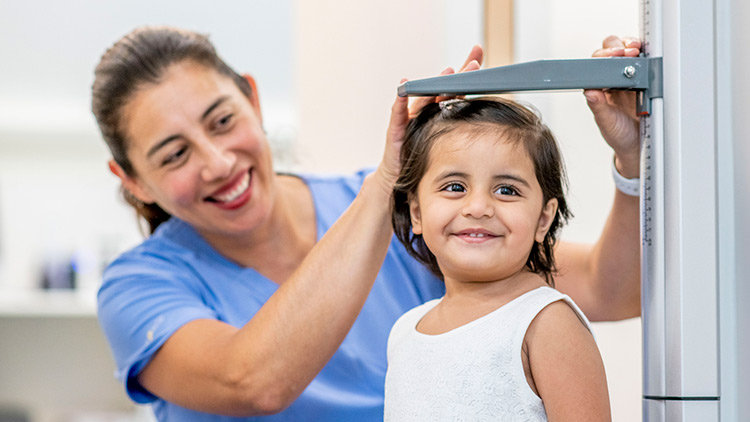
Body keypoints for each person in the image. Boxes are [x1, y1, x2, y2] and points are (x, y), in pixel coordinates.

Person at [92, 25, 639, 421]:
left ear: (253, 101)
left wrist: (633, 158)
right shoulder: (138, 288)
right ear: (132, 179)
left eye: (222, 121)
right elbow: (254, 381)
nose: (217, 163)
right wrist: (388, 185)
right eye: (174, 155)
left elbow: (609, 289)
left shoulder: (419, 217)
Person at [384, 97, 609, 421]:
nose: (478, 207)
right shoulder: (404, 331)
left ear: (543, 219)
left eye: (506, 190)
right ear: (416, 212)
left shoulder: (547, 324)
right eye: (455, 186)